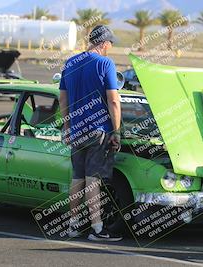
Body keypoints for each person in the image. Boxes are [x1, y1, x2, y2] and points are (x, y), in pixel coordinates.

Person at [59, 25, 122, 241]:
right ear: (104, 43)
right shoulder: (105, 63)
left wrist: (68, 128)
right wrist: (117, 131)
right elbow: (113, 100)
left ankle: (73, 225)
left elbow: (63, 99)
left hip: (76, 130)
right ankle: (97, 228)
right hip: (98, 131)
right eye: (110, 44)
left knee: (77, 178)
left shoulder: (70, 63)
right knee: (92, 179)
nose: (110, 48)